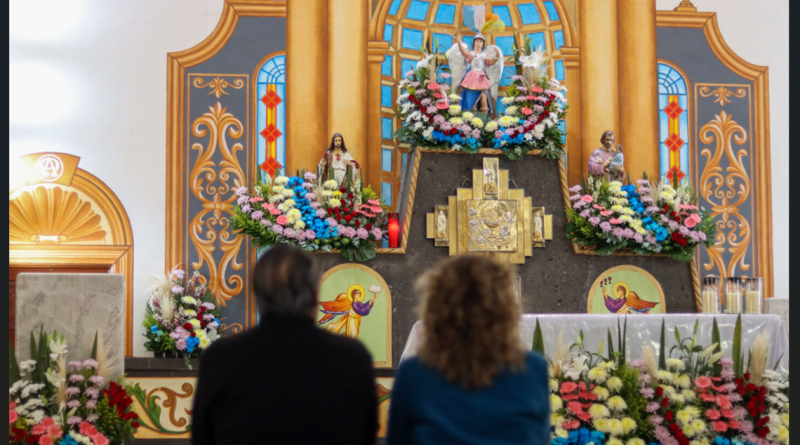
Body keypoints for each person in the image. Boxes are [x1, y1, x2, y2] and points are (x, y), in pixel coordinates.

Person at [191, 244, 378, 445]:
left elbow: (202, 436)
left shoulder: (221, 358)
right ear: (315, 296)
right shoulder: (352, 358)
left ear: (257, 295)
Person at [387, 255, 550, 445]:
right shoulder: (532, 368)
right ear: (506, 308)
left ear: (436, 307)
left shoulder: (413, 373)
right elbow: (540, 438)